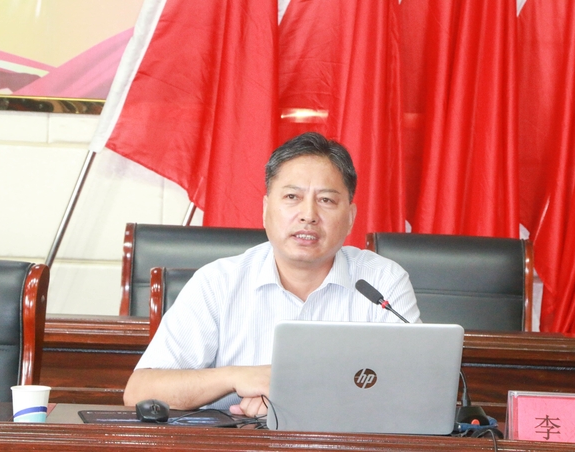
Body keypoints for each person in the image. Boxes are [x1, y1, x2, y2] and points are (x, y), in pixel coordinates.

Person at [123, 131, 421, 417]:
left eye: (326, 200)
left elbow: (417, 388)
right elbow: (140, 391)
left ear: (351, 217)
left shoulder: (382, 282)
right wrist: (239, 377)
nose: (308, 215)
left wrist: (293, 400)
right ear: (266, 209)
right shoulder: (217, 283)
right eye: (292, 196)